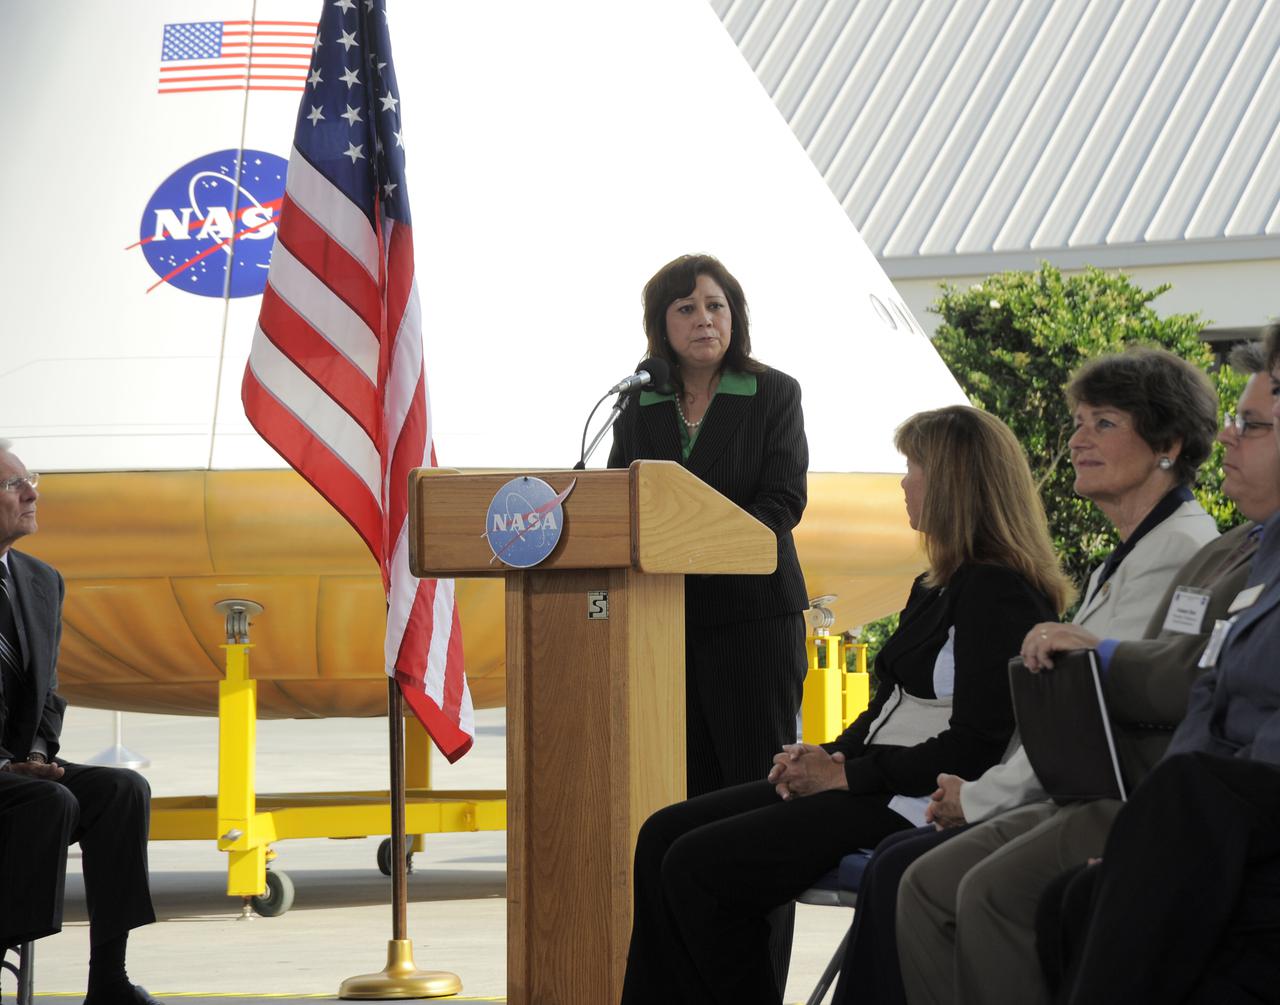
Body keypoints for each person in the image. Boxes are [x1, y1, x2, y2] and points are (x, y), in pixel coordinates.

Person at [620, 405, 1073, 1005]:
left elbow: (977, 744)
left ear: (958, 483)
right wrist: (822, 755)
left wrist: (844, 775)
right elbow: (884, 709)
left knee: (702, 866)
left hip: (913, 799)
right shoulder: (936, 582)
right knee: (662, 834)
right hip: (870, 777)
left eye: (914, 468)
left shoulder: (1000, 591)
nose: (903, 483)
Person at [832, 345, 1231, 1005]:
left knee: (942, 884)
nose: (1077, 439)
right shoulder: (1128, 555)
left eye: (1103, 422)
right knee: (916, 875)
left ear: (1168, 442)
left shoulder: (1177, 551)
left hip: (1119, 802)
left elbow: (1088, 712)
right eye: (1077, 422)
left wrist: (977, 797)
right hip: (1071, 792)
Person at [1036, 325, 1280, 1005]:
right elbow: (1209, 689)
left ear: (1167, 446)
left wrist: (1099, 656)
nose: (1230, 437)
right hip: (1193, 806)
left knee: (976, 889)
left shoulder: (1190, 542)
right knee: (1072, 898)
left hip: (1227, 814)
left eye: (1255, 422)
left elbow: (1174, 681)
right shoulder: (1254, 550)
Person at [607, 253, 809, 800]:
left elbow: (784, 500)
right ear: (661, 325)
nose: (704, 319)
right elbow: (618, 498)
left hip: (754, 616)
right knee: (685, 782)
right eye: (687, 308)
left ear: (735, 317)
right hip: (665, 618)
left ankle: (765, 890)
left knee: (755, 782)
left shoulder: (773, 393)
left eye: (716, 306)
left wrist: (701, 544)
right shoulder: (639, 402)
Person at [0, 441, 159, 1005]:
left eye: (31, 479)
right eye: (13, 485)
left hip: (20, 768)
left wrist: (40, 754)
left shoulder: (40, 580)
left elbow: (47, 692)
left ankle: (108, 979)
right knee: (50, 804)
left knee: (121, 789)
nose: (31, 493)